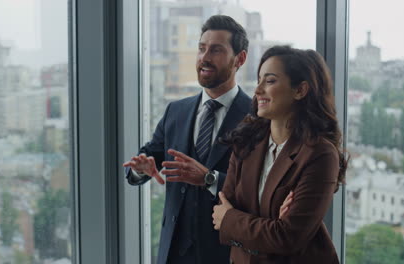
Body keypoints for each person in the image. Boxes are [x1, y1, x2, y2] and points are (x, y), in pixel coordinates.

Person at [122, 15, 251, 264]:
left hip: (227, 254)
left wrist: (209, 179)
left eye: (216, 50)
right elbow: (150, 158)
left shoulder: (257, 118)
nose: (204, 58)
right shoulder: (176, 111)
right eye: (201, 49)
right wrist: (141, 168)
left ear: (240, 59)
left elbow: (258, 191)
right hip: (173, 254)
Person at [212, 45, 348, 263]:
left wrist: (234, 222)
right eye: (258, 80)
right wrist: (269, 226)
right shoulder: (246, 141)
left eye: (270, 81)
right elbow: (221, 215)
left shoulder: (320, 154)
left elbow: (288, 238)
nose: (257, 90)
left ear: (300, 90)